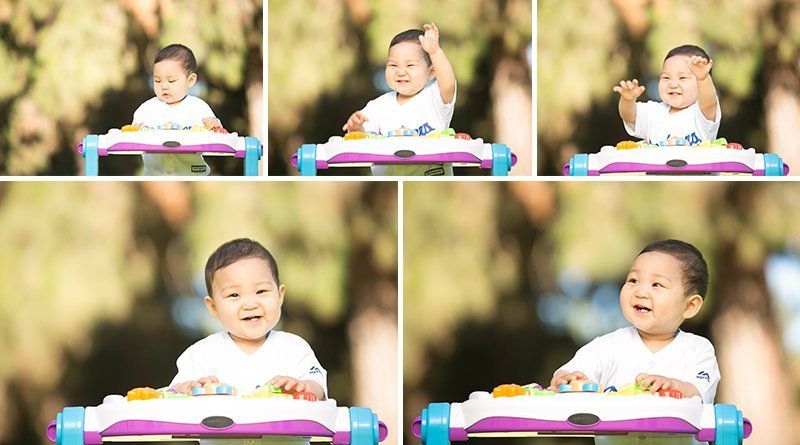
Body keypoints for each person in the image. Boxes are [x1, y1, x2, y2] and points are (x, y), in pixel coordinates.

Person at [551, 240, 720, 445]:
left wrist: (674, 386)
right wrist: (566, 378)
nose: (640, 291)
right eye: (633, 280)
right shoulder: (607, 347)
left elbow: (698, 391)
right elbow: (572, 374)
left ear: (690, 306)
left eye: (656, 284)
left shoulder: (697, 349)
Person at [169, 238, 327, 400]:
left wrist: (302, 387)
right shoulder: (201, 355)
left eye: (261, 291)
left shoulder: (294, 349)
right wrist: (189, 388)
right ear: (213, 307)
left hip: (279, 425)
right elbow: (173, 393)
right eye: (234, 295)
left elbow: (318, 386)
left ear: (280, 296)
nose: (250, 304)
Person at [343, 23, 457, 176]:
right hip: (390, 188)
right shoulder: (378, 107)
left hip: (432, 184)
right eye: (393, 65)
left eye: (410, 65)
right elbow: (361, 138)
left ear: (431, 72)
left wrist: (435, 52)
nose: (400, 72)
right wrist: (356, 127)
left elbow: (448, 84)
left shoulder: (434, 99)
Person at [132, 43, 223, 175]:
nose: (163, 86)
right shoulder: (146, 110)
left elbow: (218, 135)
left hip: (192, 175)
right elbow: (132, 138)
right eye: (157, 80)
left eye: (172, 80)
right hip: (155, 177)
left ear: (190, 81)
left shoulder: (198, 108)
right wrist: (135, 131)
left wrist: (215, 126)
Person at [614, 45, 720, 145]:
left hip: (698, 165)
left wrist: (704, 79)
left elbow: (709, 101)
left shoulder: (702, 113)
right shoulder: (653, 112)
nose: (672, 84)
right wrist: (627, 100)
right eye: (666, 78)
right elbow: (630, 116)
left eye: (682, 78)